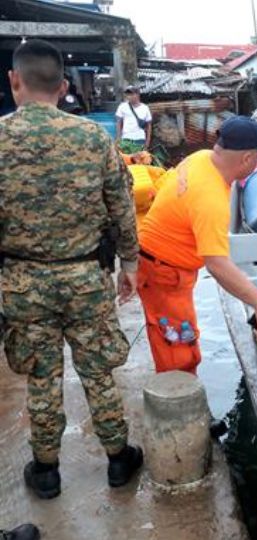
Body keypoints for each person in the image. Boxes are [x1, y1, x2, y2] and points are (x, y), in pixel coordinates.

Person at [0, 39, 143, 500]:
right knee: (98, 371)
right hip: (85, 280)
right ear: (63, 87)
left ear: (14, 80)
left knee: (41, 376)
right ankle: (119, 460)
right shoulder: (93, 138)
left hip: (23, 283)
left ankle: (46, 471)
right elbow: (123, 208)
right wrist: (131, 264)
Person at [136, 116, 257, 375]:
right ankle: (178, 404)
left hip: (156, 262)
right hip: (164, 272)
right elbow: (216, 264)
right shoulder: (210, 199)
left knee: (171, 334)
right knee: (178, 347)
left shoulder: (201, 157)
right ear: (248, 158)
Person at [115, 85, 152, 154]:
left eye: (132, 94)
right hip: (126, 139)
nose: (129, 96)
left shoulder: (145, 108)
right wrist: (118, 138)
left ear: (137, 95)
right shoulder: (122, 107)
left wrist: (147, 141)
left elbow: (149, 125)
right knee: (125, 161)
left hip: (140, 140)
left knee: (139, 161)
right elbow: (119, 123)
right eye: (128, 94)